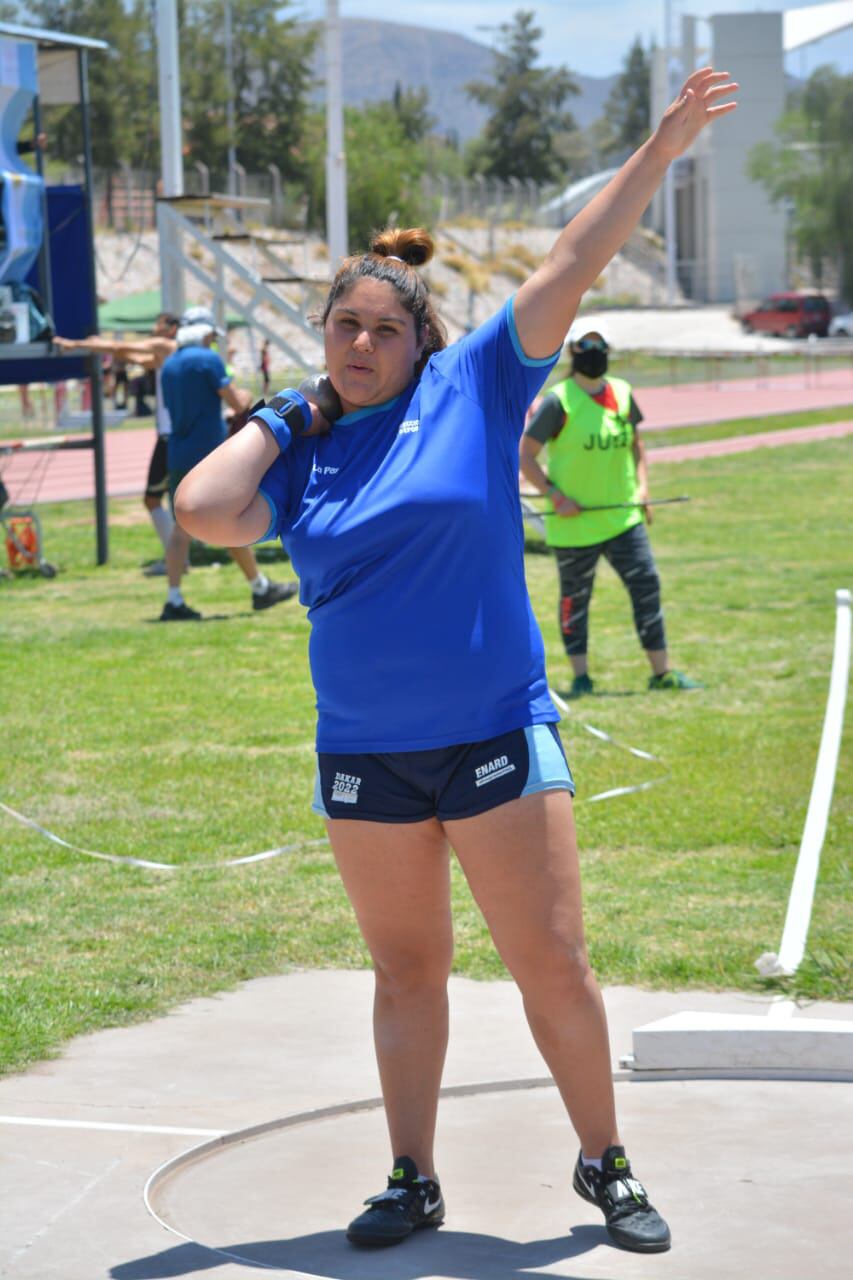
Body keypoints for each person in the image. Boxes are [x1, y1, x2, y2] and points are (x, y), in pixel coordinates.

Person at [175, 69, 736, 1253]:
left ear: (421, 339)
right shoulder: (303, 451)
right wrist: (291, 410)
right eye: (345, 327)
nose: (364, 341)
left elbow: (569, 263)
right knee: (405, 971)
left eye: (384, 327)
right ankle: (411, 1173)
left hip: (494, 730)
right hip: (367, 752)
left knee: (553, 966)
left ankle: (605, 1160)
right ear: (321, 340)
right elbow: (201, 509)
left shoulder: (472, 390)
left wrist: (660, 148)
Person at [520, 320, 702, 698]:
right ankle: (581, 677)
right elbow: (526, 456)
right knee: (575, 600)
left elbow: (636, 445)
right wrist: (555, 495)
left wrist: (643, 489)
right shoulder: (558, 401)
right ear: (573, 353)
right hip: (575, 526)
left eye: (601, 347)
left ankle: (661, 672)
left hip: (623, 520)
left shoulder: (622, 391)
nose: (595, 355)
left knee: (646, 588)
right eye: (586, 347)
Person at [160, 305, 298, 621]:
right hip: (208, 453)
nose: (212, 342)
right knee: (230, 520)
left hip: (178, 450)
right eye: (210, 336)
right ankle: (260, 587)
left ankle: (174, 597)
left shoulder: (169, 365)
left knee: (181, 528)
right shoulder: (207, 360)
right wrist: (245, 395)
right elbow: (236, 402)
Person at [54, 313, 182, 570]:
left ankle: (176, 559)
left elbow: (121, 348)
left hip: (170, 437)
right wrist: (104, 348)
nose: (153, 328)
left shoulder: (168, 346)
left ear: (172, 328)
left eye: (158, 324)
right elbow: (132, 356)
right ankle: (178, 557)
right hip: (172, 435)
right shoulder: (172, 353)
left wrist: (77, 344)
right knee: (168, 500)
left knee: (159, 500)